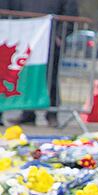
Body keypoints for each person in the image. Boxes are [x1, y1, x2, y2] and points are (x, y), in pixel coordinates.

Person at [5, 0, 78, 128]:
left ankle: (52, 114)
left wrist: (60, 35)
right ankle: (28, 113)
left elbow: (70, 13)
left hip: (51, 39)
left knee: (50, 77)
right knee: (27, 76)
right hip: (26, 38)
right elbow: (13, 8)